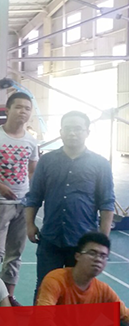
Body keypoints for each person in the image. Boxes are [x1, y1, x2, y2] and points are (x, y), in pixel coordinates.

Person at [26, 110, 115, 294]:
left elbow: (107, 203)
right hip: (50, 239)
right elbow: (34, 196)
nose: (72, 133)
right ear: (61, 132)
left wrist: (102, 240)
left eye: (77, 129)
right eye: (67, 129)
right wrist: (30, 224)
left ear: (87, 132)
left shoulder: (100, 164)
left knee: (78, 292)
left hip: (83, 243)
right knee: (45, 288)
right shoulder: (46, 161)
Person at [0, 92, 39, 303]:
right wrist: (0, 187)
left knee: (15, 255)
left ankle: (8, 299)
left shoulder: (31, 141)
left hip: (22, 206)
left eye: (27, 108)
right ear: (8, 110)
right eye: (19, 107)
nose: (23, 111)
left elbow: (32, 171)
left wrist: (31, 198)